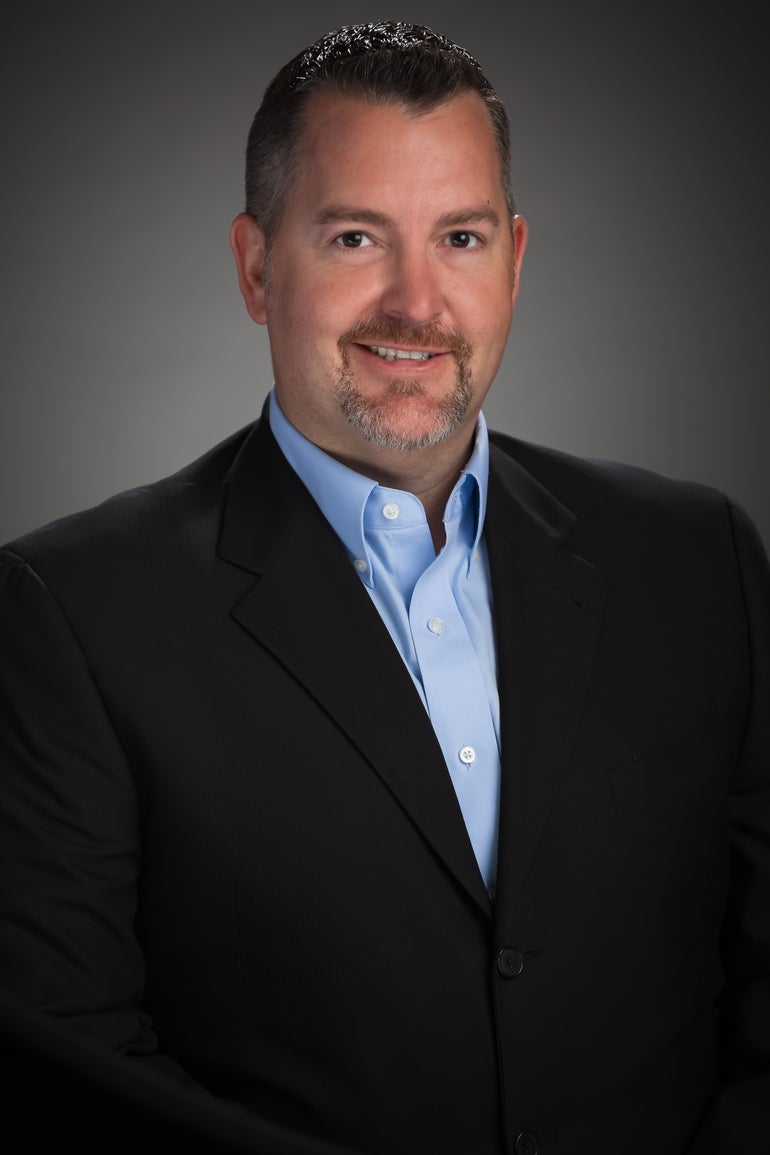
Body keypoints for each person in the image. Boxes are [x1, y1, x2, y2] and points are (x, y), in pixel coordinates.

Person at [0, 20, 768, 1155]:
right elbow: (66, 1057)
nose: (416, 302)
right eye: (356, 237)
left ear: (513, 258)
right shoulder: (67, 611)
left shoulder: (695, 556)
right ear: (258, 268)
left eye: (457, 237)